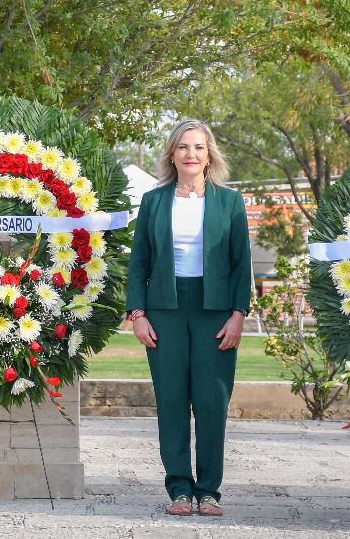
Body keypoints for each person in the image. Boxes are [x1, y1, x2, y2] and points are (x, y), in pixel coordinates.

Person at [124, 118, 252, 518]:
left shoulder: (230, 202)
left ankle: (209, 491)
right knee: (172, 400)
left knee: (212, 401)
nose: (191, 154)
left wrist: (238, 315)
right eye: (183, 147)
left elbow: (240, 263)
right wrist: (139, 313)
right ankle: (179, 489)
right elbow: (139, 262)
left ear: (209, 153)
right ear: (172, 155)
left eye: (198, 147)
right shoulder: (154, 201)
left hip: (214, 310)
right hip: (164, 310)